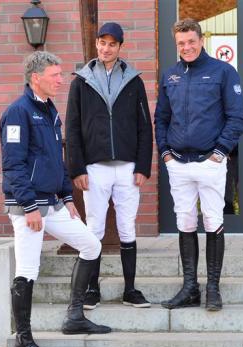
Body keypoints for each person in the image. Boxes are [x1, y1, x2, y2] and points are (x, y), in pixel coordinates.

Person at [0, 51, 111, 347]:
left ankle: (74, 316)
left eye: (61, 75)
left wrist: (66, 197)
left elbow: (55, 159)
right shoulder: (17, 113)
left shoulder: (50, 111)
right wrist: (29, 206)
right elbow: (13, 166)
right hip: (29, 207)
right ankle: (23, 341)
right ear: (36, 78)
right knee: (27, 270)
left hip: (53, 202)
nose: (61, 80)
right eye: (55, 75)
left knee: (91, 244)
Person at [154, 19, 243, 311]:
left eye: (191, 41)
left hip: (211, 162)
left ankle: (213, 289)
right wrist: (166, 154)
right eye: (181, 43)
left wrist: (219, 153)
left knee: (213, 222)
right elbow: (161, 119)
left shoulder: (223, 72)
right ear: (176, 44)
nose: (187, 47)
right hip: (179, 163)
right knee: (185, 222)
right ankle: (190, 287)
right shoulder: (170, 76)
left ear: (201, 39)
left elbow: (237, 117)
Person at [66, 22, 153, 310]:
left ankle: (131, 290)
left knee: (127, 228)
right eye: (102, 43)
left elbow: (144, 127)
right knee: (95, 228)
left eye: (112, 44)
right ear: (96, 44)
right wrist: (76, 169)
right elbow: (74, 127)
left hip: (127, 167)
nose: (106, 48)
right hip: (95, 168)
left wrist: (143, 166)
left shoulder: (134, 80)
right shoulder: (81, 81)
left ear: (120, 47)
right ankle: (92, 289)